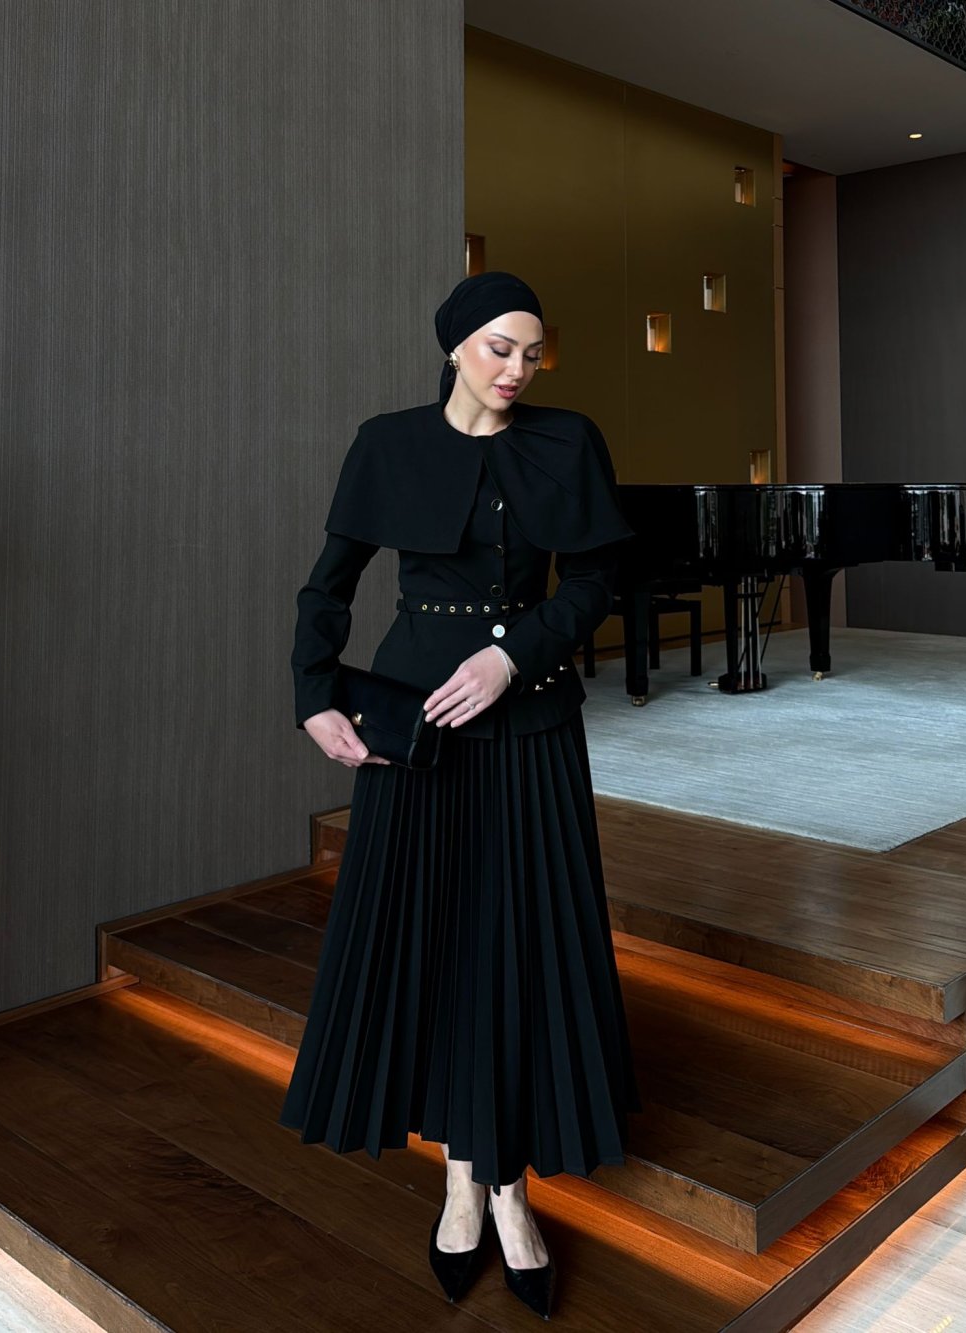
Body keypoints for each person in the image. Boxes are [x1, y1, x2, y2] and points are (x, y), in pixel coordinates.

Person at [277, 271, 643, 1320]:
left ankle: (509, 1186)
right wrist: (313, 695)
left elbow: (596, 580)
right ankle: (459, 1178)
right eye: (497, 347)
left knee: (518, 940)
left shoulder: (567, 441)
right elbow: (329, 583)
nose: (517, 369)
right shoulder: (387, 443)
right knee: (435, 939)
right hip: (414, 729)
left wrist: (510, 654)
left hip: (528, 722)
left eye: (532, 351)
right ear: (453, 347)